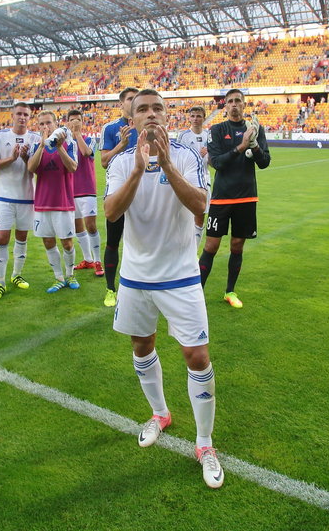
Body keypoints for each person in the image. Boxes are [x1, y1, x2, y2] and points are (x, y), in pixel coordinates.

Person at [104, 89, 222, 489]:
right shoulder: (120, 163)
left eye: (157, 108)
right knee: (141, 346)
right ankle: (160, 413)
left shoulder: (187, 157)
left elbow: (200, 205)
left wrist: (167, 164)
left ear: (166, 116)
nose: (151, 114)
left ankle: (204, 444)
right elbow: (112, 211)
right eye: (142, 109)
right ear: (131, 118)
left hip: (181, 275)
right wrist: (138, 169)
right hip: (136, 275)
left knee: (197, 355)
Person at [199, 88, 270, 309]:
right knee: (211, 245)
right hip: (221, 198)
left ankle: (230, 291)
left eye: (238, 101)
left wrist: (254, 144)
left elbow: (265, 162)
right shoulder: (217, 130)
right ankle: (197, 294)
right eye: (230, 101)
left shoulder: (255, 129)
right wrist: (241, 146)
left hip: (246, 197)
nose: (234, 105)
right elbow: (217, 163)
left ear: (244, 104)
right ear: (225, 106)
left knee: (237, 246)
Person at [0, 103, 40, 300]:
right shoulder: (0, 137)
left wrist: (25, 158)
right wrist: (11, 159)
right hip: (4, 196)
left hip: (27, 196)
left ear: (30, 117)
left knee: (22, 237)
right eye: (19, 113)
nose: (22, 117)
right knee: (2, 238)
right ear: (12, 115)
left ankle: (16, 274)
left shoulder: (36, 139)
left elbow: (36, 170)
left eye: (26, 114)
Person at [28, 111, 79, 293]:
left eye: (48, 123)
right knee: (48, 242)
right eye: (41, 124)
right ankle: (58, 277)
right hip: (42, 202)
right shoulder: (36, 145)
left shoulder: (69, 142)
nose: (45, 127)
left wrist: (59, 147)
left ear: (56, 124)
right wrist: (42, 146)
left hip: (63, 202)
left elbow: (73, 167)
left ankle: (70, 273)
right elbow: (31, 168)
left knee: (67, 242)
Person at [100, 87, 139, 307]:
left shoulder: (145, 125)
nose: (134, 103)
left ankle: (143, 284)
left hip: (144, 193)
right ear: (121, 104)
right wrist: (121, 145)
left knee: (144, 241)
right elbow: (104, 161)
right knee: (113, 242)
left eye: (136, 99)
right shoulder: (112, 128)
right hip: (118, 192)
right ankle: (110, 289)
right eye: (130, 99)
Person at [67, 109, 103, 276]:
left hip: (87, 189)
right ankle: (87, 259)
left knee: (91, 226)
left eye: (78, 120)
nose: (75, 122)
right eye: (72, 120)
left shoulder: (90, 139)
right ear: (67, 122)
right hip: (70, 190)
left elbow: (86, 152)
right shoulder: (64, 143)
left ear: (83, 122)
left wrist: (77, 134)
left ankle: (97, 261)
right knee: (77, 227)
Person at [176, 105, 210, 247]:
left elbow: (214, 160)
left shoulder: (209, 136)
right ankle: (180, 248)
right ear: (189, 118)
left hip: (204, 179)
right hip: (186, 179)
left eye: (198, 116)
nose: (195, 119)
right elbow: (177, 158)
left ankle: (193, 252)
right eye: (193, 116)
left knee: (200, 215)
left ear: (203, 118)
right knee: (182, 215)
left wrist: (210, 152)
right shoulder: (183, 136)